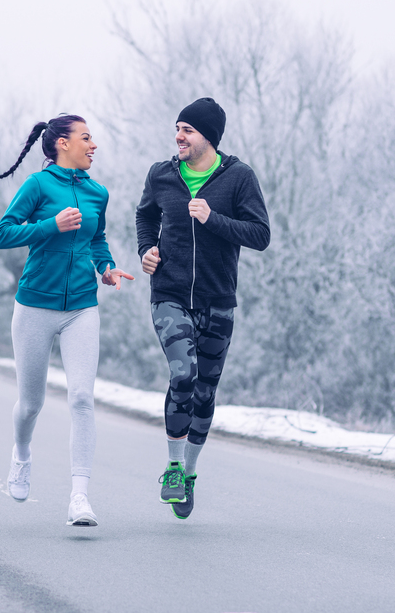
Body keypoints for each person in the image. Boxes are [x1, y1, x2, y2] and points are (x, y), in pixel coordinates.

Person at [0, 114, 134, 527]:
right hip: (35, 306)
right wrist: (51, 225)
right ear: (62, 144)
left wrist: (106, 267)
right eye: (86, 138)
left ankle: (80, 498)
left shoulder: (97, 192)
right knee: (31, 404)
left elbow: (96, 238)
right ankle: (21, 454)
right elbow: (4, 233)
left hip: (82, 307)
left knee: (82, 398)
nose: (94, 145)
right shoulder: (37, 185)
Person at [135, 97, 270, 519]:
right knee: (183, 374)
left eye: (187, 130)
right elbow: (144, 217)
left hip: (218, 300)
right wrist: (146, 250)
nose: (178, 136)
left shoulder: (238, 178)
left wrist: (214, 219)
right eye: (177, 128)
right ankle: (173, 469)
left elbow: (260, 233)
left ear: (208, 137)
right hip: (170, 293)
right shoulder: (161, 175)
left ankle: (189, 475)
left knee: (206, 393)